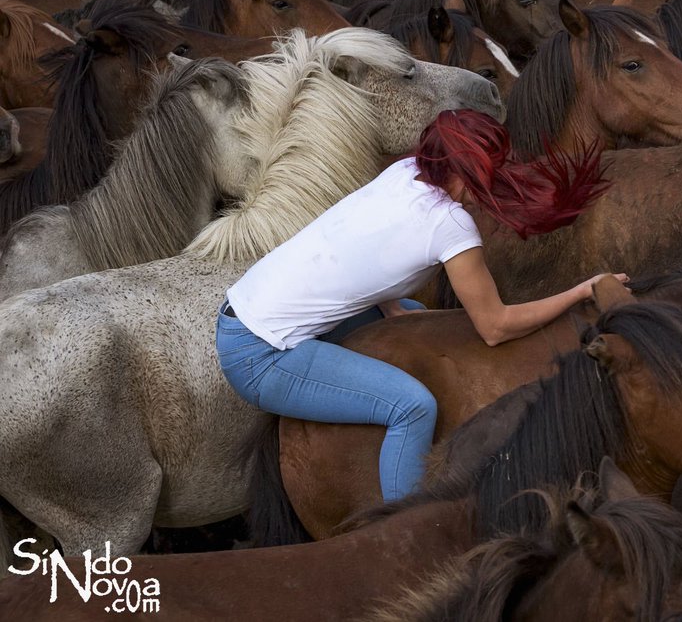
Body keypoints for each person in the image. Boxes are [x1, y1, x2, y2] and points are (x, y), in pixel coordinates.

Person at [215, 109, 621, 503]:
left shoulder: (405, 172)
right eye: (484, 173)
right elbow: (495, 327)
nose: (487, 187)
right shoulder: (449, 224)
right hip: (262, 353)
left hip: (242, 313)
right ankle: (404, 528)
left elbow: (361, 248)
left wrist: (392, 308)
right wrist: (582, 290)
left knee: (416, 319)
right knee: (412, 407)